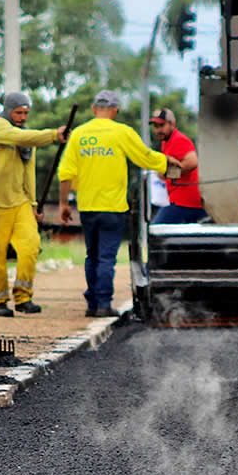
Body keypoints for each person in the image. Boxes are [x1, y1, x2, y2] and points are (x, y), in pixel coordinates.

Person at [58, 91, 179, 318]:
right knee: (106, 258)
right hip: (112, 208)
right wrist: (166, 162)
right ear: (115, 110)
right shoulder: (122, 132)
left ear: (94, 109)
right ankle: (103, 304)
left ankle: (92, 303)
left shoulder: (79, 134)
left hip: (87, 206)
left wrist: (64, 203)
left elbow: (66, 172)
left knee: (91, 256)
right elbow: (144, 156)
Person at [0, 91, 67, 317]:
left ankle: (23, 297)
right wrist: (53, 135)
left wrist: (33, 203)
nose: (22, 117)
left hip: (20, 202)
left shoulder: (27, 138)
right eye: (18, 112)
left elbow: (29, 173)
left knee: (30, 246)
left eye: (26, 113)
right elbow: (21, 137)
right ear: (7, 111)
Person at [149, 108, 206, 224]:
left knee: (157, 232)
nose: (158, 130)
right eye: (155, 126)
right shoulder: (166, 141)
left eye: (161, 125)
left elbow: (193, 162)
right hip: (180, 200)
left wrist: (167, 173)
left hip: (184, 201)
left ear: (172, 124)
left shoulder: (179, 140)